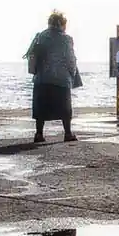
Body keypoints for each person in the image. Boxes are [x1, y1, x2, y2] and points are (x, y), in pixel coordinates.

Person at [23, 10, 80, 143]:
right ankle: (67, 133)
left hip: (41, 79)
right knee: (65, 108)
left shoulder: (40, 36)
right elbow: (70, 59)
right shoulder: (66, 39)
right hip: (61, 80)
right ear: (61, 24)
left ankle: (39, 134)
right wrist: (73, 74)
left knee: (41, 108)